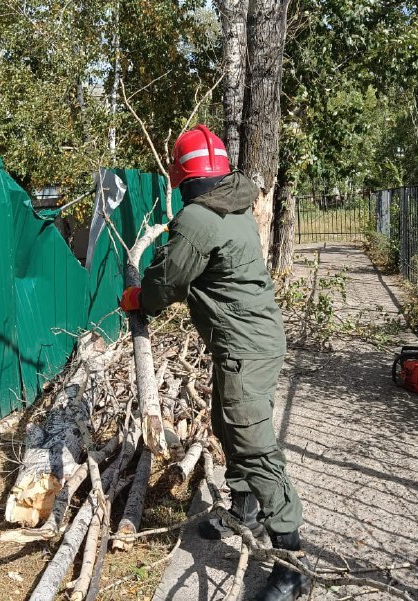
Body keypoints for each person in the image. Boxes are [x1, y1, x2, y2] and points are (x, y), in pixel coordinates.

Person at [120, 125, 307, 601]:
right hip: (250, 342)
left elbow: (167, 287)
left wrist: (138, 297)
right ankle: (242, 513)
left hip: (245, 349)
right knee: (228, 428)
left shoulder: (199, 219)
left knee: (255, 446)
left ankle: (291, 565)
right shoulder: (234, 205)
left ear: (182, 177)